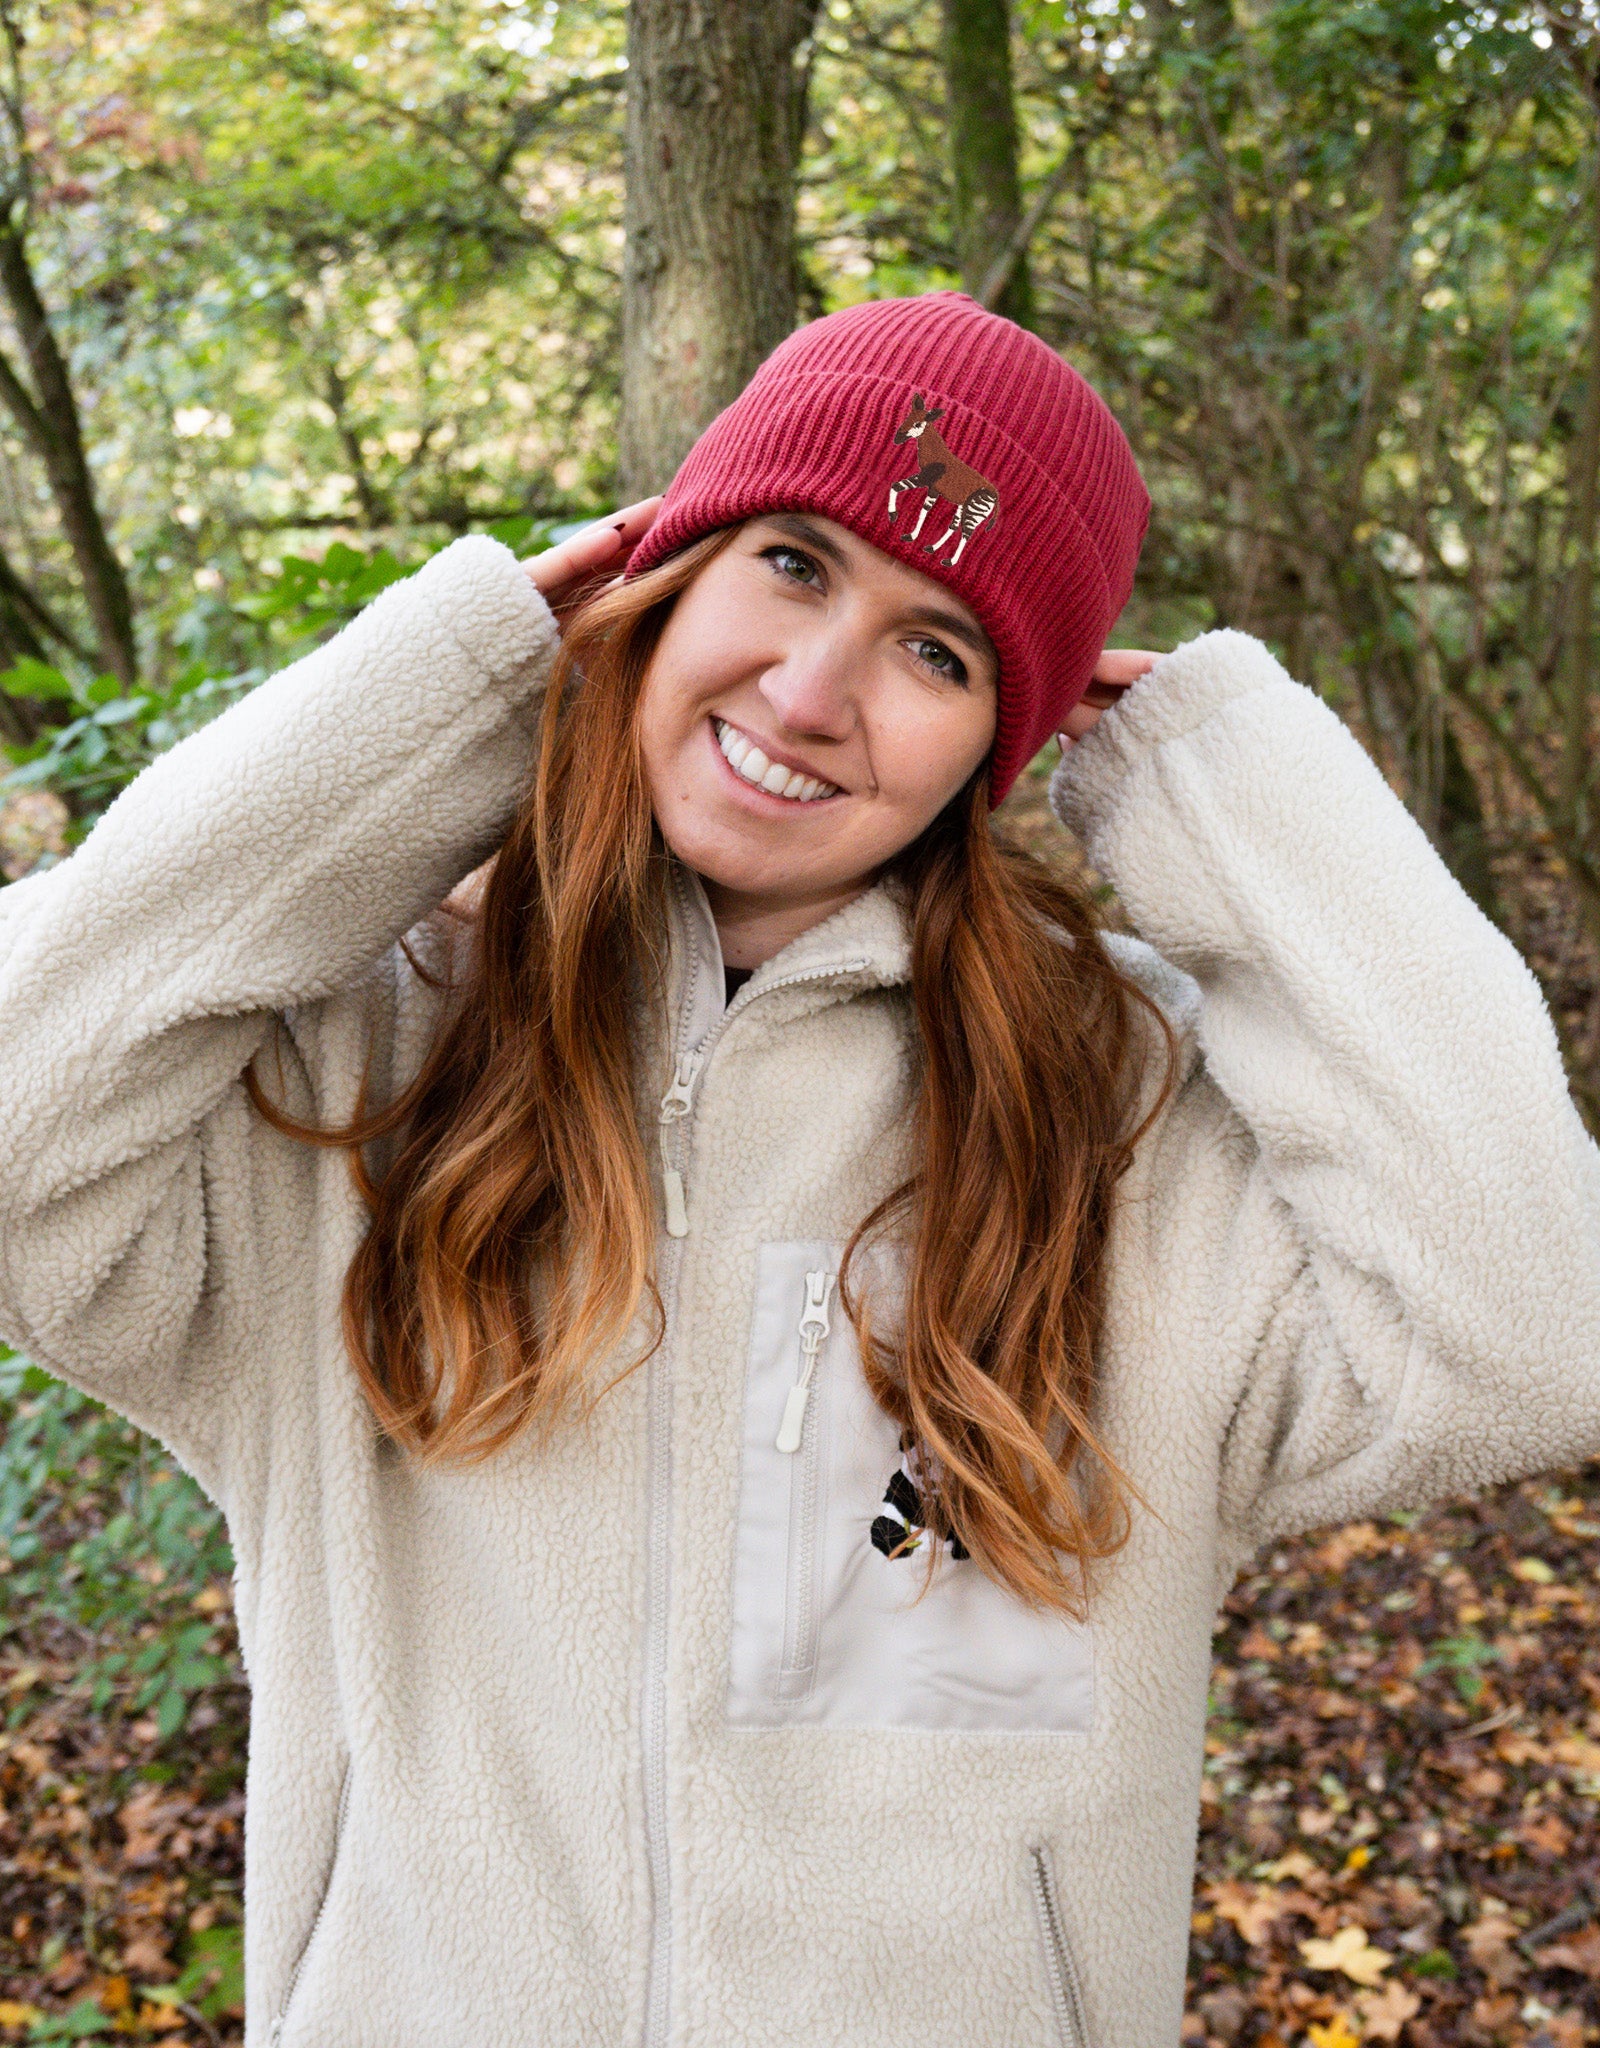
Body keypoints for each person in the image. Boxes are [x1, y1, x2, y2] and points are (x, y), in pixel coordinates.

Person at [0, 289, 1596, 2048]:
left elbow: (1533, 1335)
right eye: (789, 561)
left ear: (1010, 738)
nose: (815, 689)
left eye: (941, 651)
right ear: (654, 571)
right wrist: (444, 703)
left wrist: (1228, 792)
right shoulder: (350, 1067)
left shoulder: (1120, 1121)